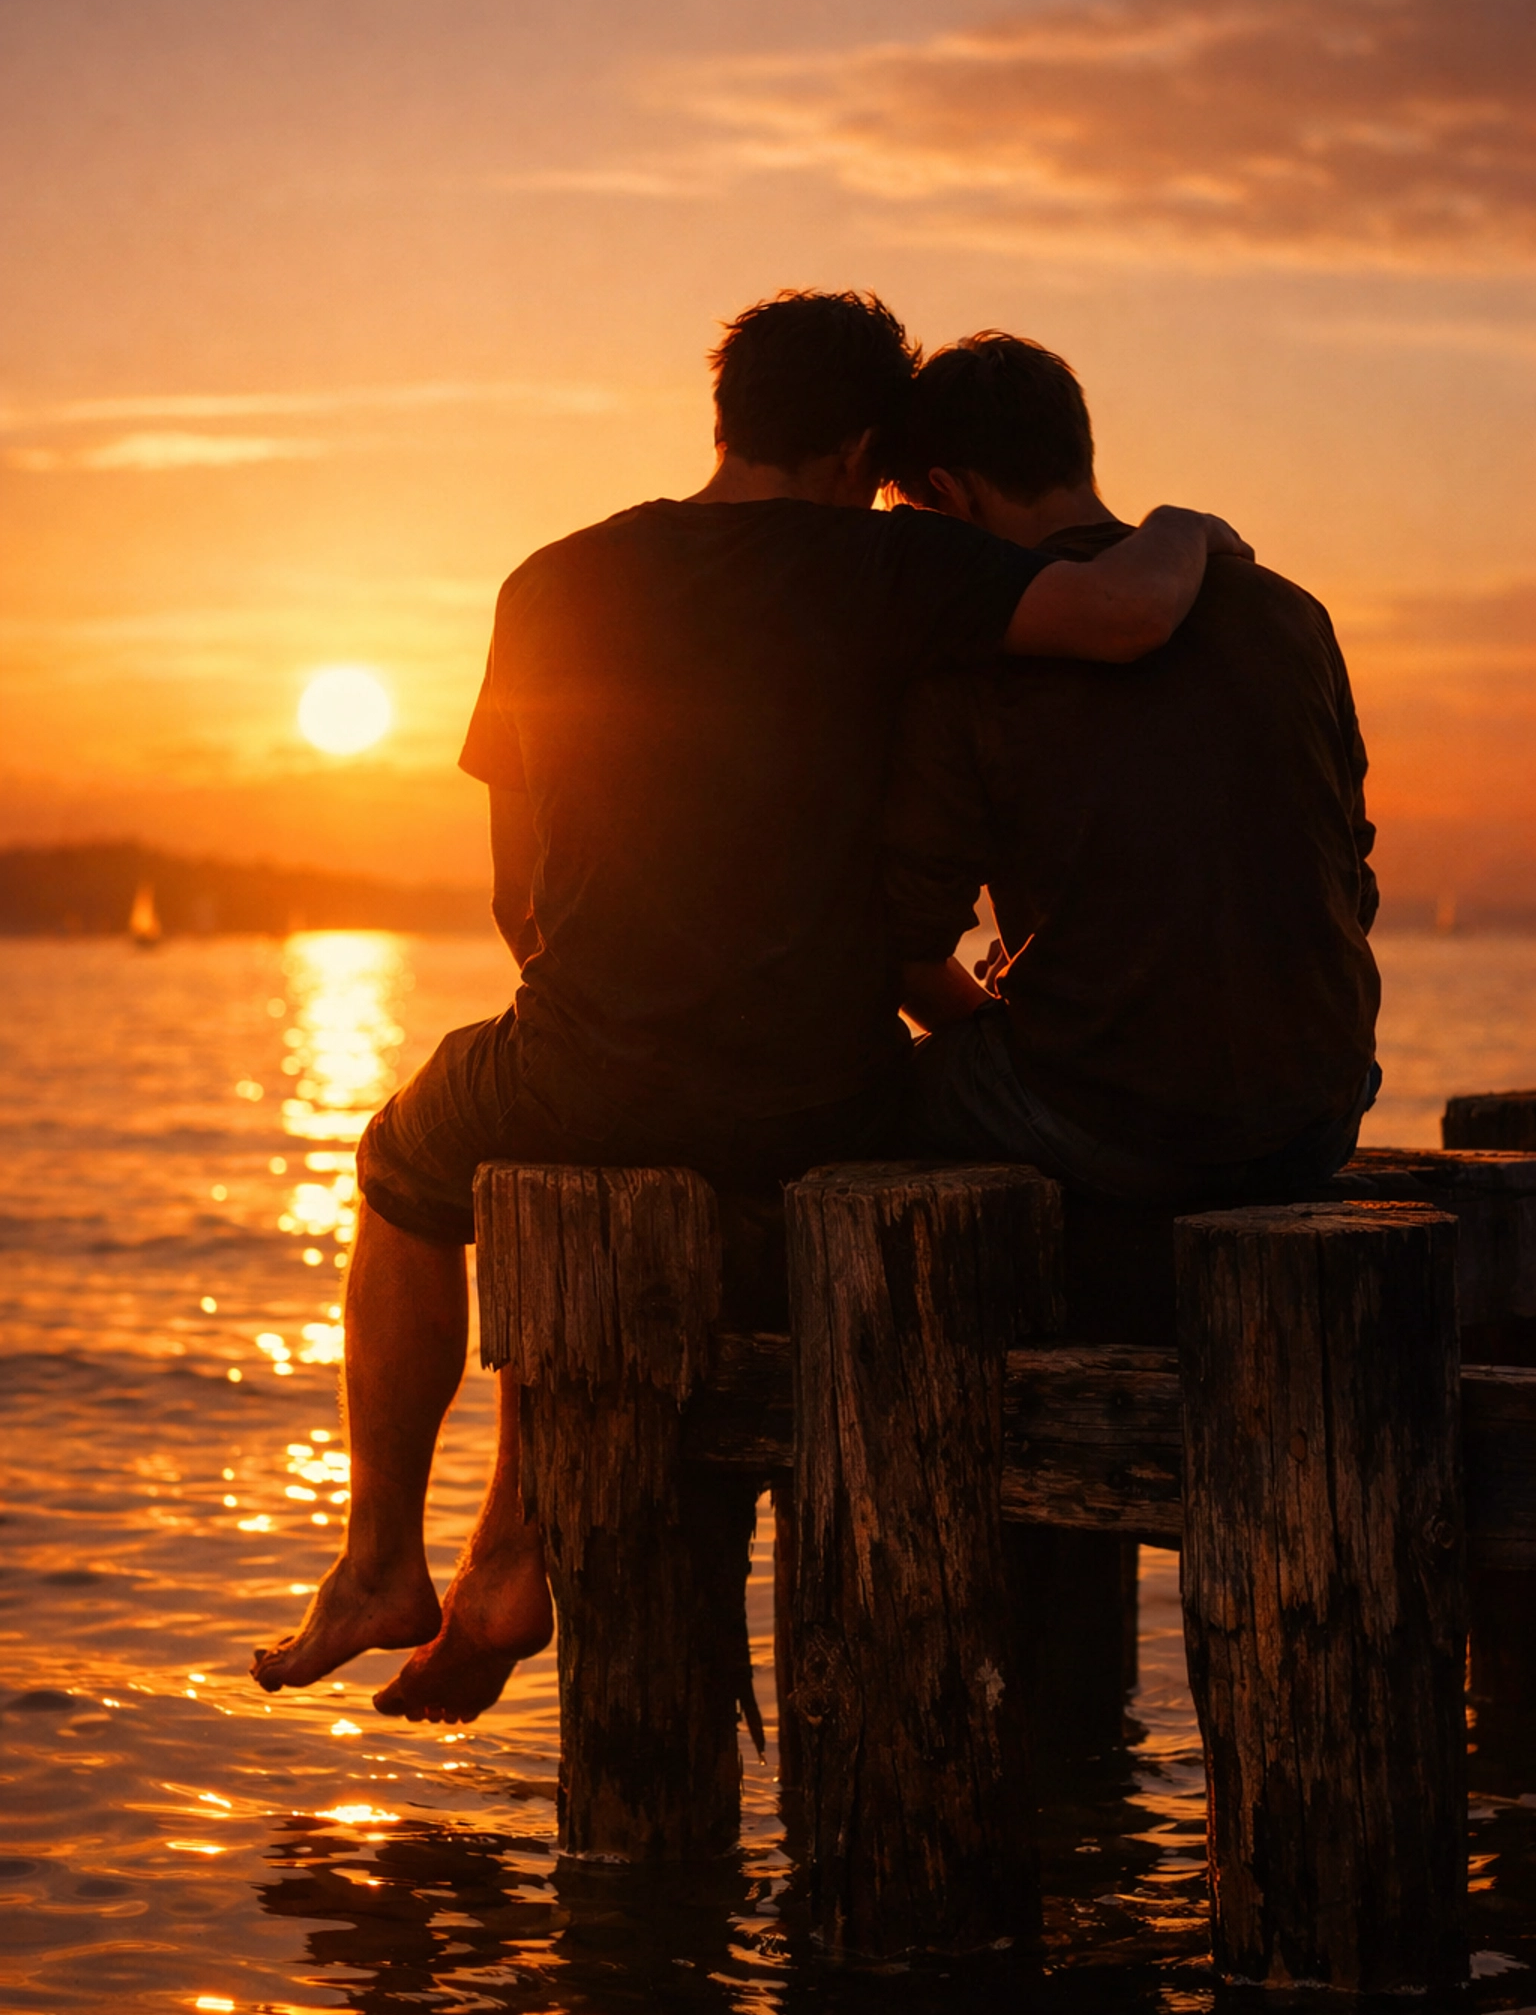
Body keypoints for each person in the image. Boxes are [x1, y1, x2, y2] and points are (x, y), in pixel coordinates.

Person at [250, 291, 1248, 1719]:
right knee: (587, 1157)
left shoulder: (552, 581)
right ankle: (503, 1557)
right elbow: (1125, 614)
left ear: (727, 417)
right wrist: (1193, 528)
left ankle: (382, 1560)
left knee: (410, 1166)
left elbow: (515, 896)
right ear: (860, 445)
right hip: (819, 1093)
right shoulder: (890, 566)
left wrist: (625, 1008)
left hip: (593, 1057)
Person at [885, 332, 1380, 1203]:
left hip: (1115, 1125)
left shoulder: (974, 651)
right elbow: (1352, 885)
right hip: (1318, 1114)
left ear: (947, 496)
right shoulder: (1291, 612)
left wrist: (1025, 1024)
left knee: (862, 1094)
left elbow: (907, 953)